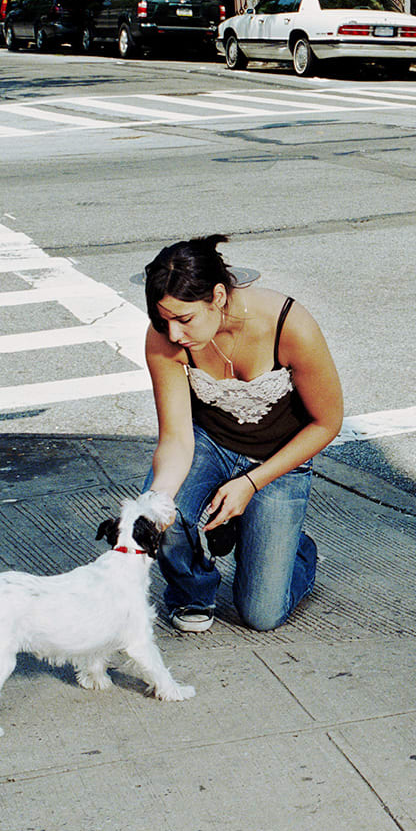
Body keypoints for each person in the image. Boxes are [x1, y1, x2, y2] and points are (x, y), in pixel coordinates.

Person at [141, 236, 344, 633]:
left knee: (261, 615)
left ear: (218, 296)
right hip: (209, 446)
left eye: (185, 319)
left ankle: (295, 551)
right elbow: (177, 440)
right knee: (164, 511)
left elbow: (327, 422)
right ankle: (192, 593)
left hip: (279, 458)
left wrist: (251, 484)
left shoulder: (289, 325)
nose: (175, 334)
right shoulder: (164, 339)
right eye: (165, 321)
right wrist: (160, 499)